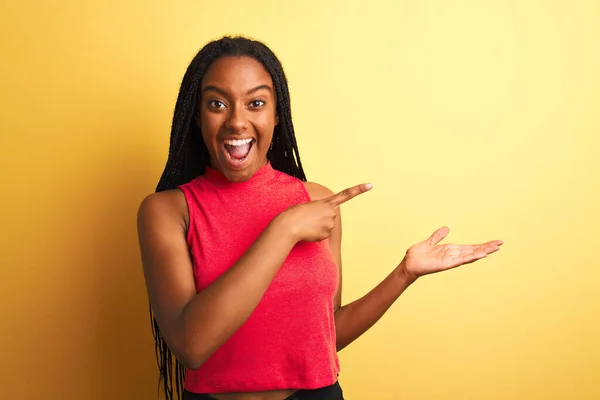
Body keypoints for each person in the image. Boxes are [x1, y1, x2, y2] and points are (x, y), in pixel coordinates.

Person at [136, 36, 503, 400]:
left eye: (256, 103)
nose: (237, 121)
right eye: (217, 103)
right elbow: (191, 345)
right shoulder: (169, 210)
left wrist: (404, 274)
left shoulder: (318, 202)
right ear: (197, 117)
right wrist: (285, 229)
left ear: (277, 115)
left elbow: (327, 335)